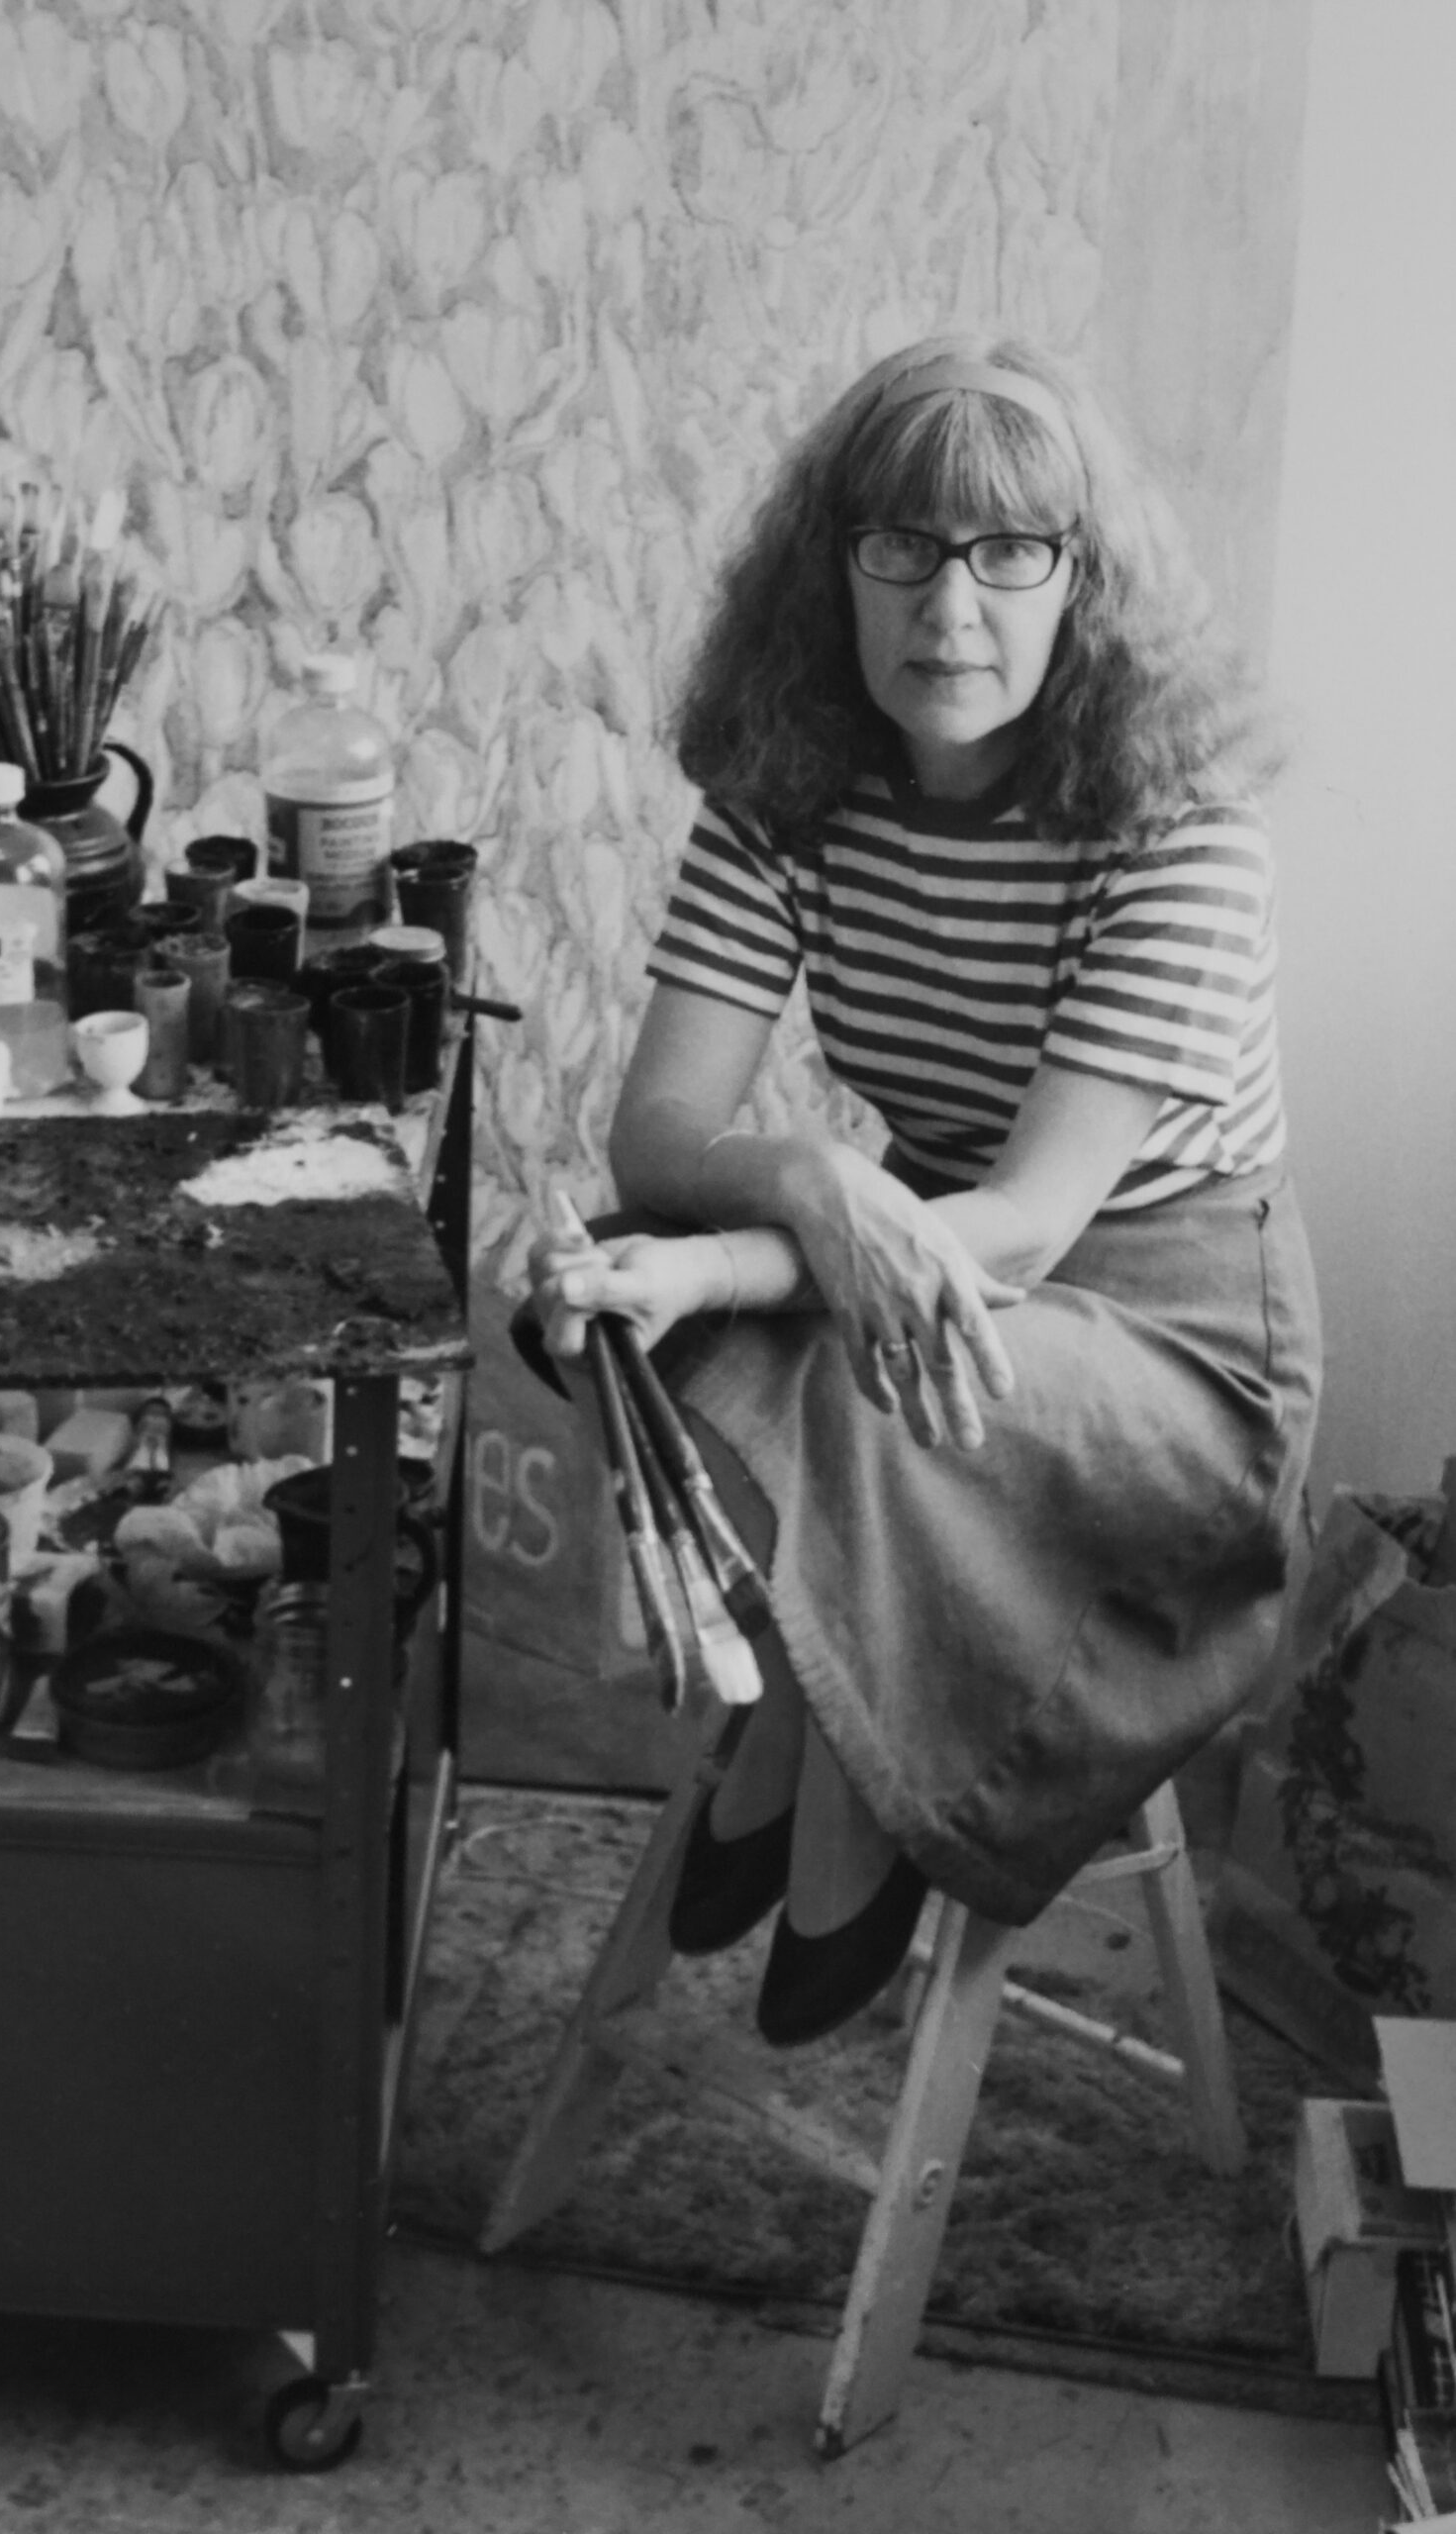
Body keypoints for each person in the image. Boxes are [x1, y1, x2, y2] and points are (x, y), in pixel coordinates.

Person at [526, 332, 1321, 2049]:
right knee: (612, 1287)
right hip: (916, 1238)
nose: (948, 609)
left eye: (1007, 552)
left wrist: (735, 1261)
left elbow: (1027, 1222)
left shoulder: (1182, 831)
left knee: (840, 1373)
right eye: (899, 546)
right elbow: (658, 1134)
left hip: (1165, 1330)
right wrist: (807, 1178)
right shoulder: (790, 795)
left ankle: (841, 1776)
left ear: (1080, 581)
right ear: (833, 568)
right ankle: (818, 1732)